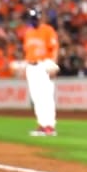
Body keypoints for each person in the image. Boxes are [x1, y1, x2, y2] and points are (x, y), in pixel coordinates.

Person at [23, 7, 60, 137]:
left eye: (35, 18)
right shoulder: (28, 32)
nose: (33, 21)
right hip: (31, 66)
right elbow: (27, 51)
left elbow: (54, 48)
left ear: (40, 17)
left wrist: (53, 65)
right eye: (32, 18)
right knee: (36, 98)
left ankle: (50, 126)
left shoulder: (48, 30)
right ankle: (42, 124)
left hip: (44, 65)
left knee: (47, 97)